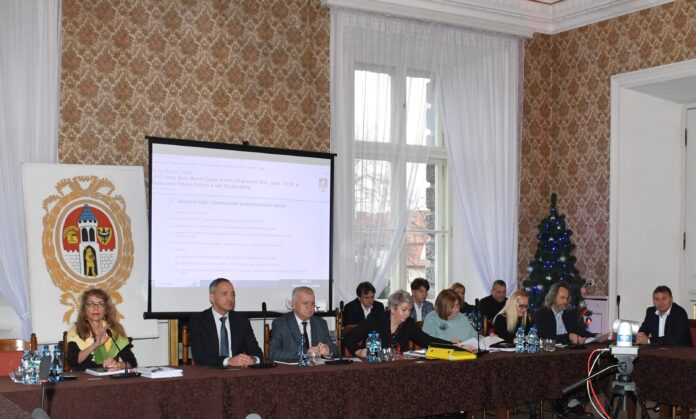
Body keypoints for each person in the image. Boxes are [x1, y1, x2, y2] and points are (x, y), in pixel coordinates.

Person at [343, 290, 449, 356]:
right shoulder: (375, 320)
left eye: (409, 310)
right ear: (393, 309)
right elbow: (349, 338)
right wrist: (358, 351)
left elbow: (427, 341)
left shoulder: (408, 324)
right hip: (372, 366)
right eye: (404, 310)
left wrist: (452, 345)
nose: (407, 313)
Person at [189, 278, 263, 368]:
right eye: (225, 294)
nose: (230, 298)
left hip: (237, 371)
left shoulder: (241, 320)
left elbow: (257, 353)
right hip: (210, 371)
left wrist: (253, 360)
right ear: (212, 298)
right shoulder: (199, 320)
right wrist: (228, 361)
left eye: (233, 294)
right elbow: (199, 356)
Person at [66, 288, 137, 371]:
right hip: (83, 377)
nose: (96, 308)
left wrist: (118, 365)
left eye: (100, 303)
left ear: (106, 309)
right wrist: (95, 344)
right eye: (91, 304)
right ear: (84, 310)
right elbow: (72, 362)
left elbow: (132, 363)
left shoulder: (113, 331)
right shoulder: (75, 330)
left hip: (107, 377)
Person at [269, 287, 338, 362]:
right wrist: (304, 355)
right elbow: (273, 353)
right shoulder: (280, 323)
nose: (310, 307)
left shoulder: (321, 323)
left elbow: (335, 350)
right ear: (293, 305)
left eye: (312, 303)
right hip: (293, 368)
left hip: (317, 367)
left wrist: (328, 352)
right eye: (305, 303)